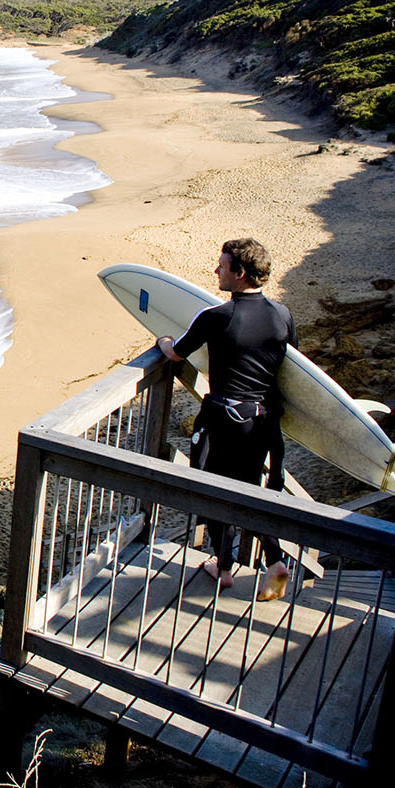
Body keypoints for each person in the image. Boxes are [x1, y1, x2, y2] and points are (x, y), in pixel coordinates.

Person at [156, 238, 295, 602]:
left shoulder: (216, 317)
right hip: (262, 422)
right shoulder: (282, 315)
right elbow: (293, 369)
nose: (216, 270)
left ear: (241, 273)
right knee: (251, 488)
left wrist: (163, 340)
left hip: (222, 419)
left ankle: (224, 566)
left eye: (222, 266)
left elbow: (176, 353)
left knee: (213, 489)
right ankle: (276, 560)